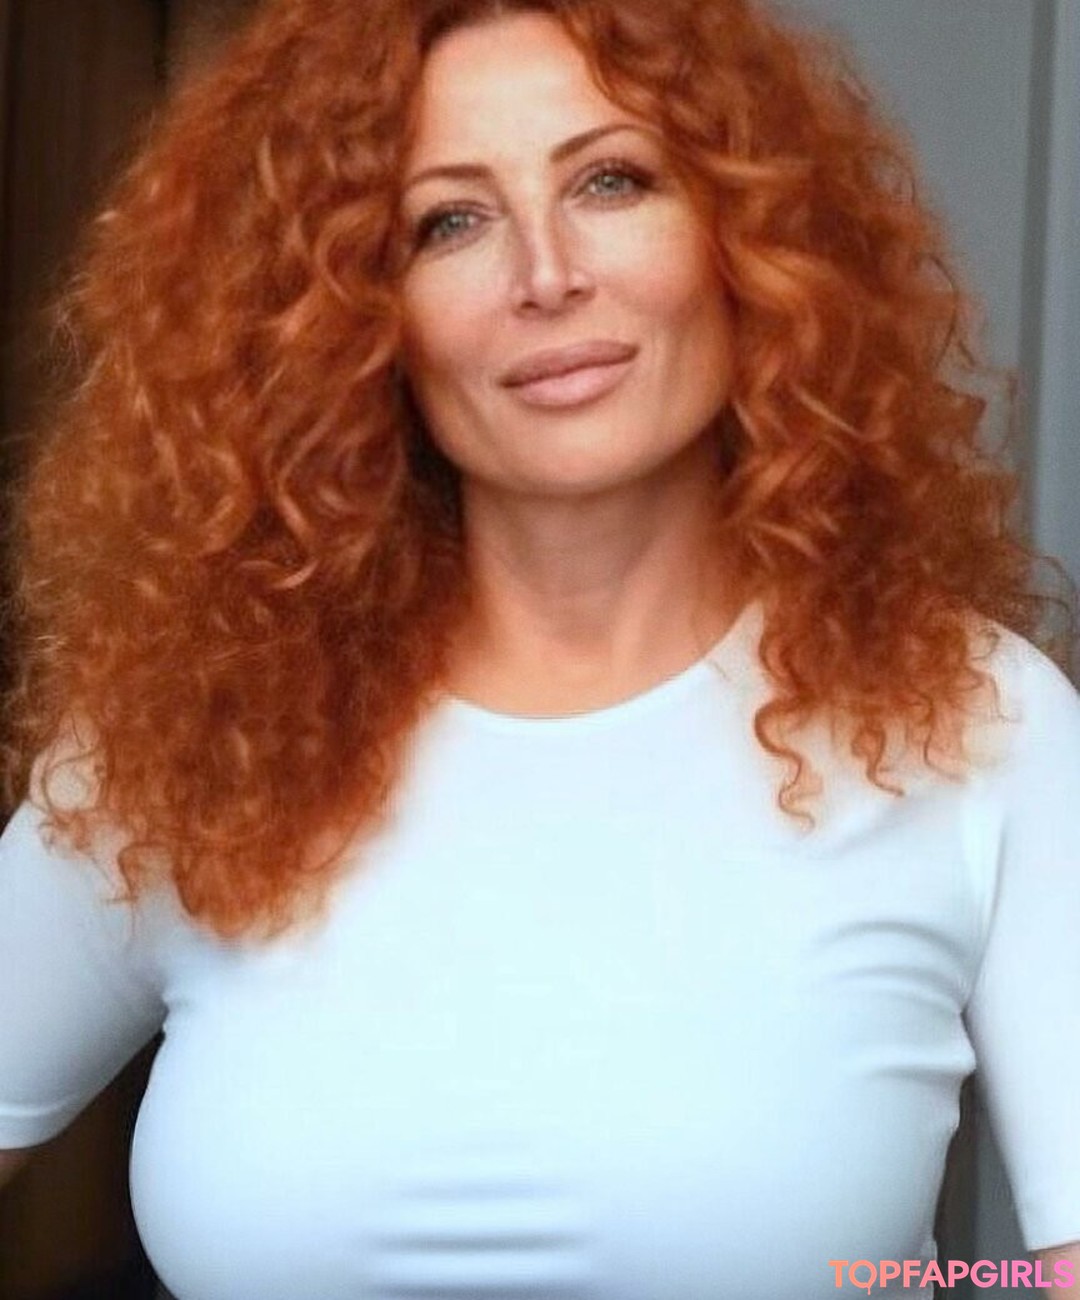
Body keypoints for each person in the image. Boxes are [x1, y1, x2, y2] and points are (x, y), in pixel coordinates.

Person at [0, 0, 1078, 1296]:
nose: (546, 273)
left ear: (749, 234)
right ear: (354, 317)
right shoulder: (194, 738)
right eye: (449, 220)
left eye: (610, 181)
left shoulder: (974, 722)